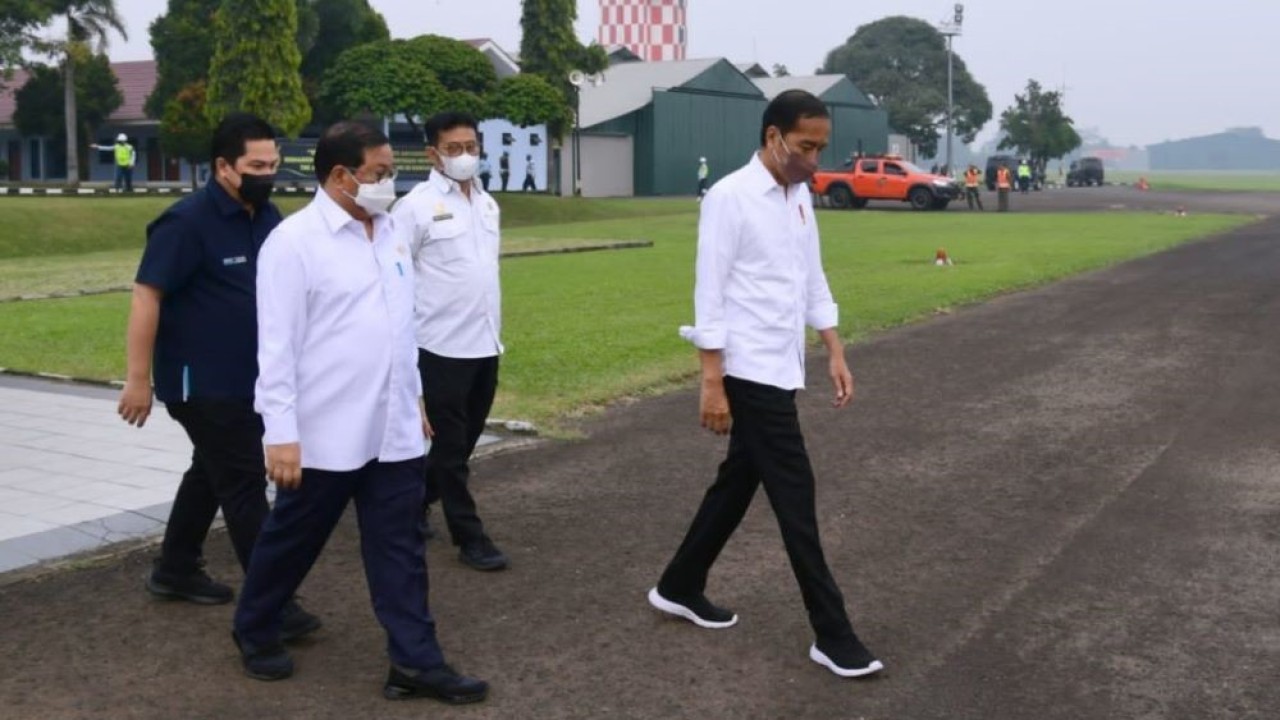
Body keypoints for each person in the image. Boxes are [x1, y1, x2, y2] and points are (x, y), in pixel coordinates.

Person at [231, 121, 488, 704]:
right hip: (325, 431)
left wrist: (414, 398)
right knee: (294, 538)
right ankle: (255, 625)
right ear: (340, 175)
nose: (387, 184)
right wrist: (280, 433)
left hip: (393, 427)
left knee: (400, 547)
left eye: (390, 172)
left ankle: (415, 661)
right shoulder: (294, 244)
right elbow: (276, 348)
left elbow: (401, 326)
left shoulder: (390, 231)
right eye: (379, 173)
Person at [647, 89, 883, 679]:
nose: (814, 159)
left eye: (821, 148)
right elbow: (709, 290)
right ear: (773, 136)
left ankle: (679, 584)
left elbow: (811, 278)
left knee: (738, 482)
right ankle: (833, 633)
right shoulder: (729, 197)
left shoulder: (799, 196)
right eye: (806, 146)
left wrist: (834, 349)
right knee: (795, 495)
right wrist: (711, 380)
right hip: (748, 368)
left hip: (783, 364)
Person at [117, 112, 319, 639]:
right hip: (201, 383)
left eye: (273, 164)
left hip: (251, 378)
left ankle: (175, 569)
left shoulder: (268, 216)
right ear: (224, 167)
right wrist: (138, 378)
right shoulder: (185, 223)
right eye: (257, 166)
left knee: (210, 471)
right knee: (244, 482)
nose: (267, 174)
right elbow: (146, 295)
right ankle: (274, 602)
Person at [392, 111, 509, 572]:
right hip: (438, 345)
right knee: (452, 446)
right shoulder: (414, 207)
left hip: (484, 341)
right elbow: (396, 277)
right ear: (433, 153)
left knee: (463, 441)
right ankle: (470, 536)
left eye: (471, 146)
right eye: (454, 148)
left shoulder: (487, 204)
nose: (465, 155)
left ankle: (416, 500)